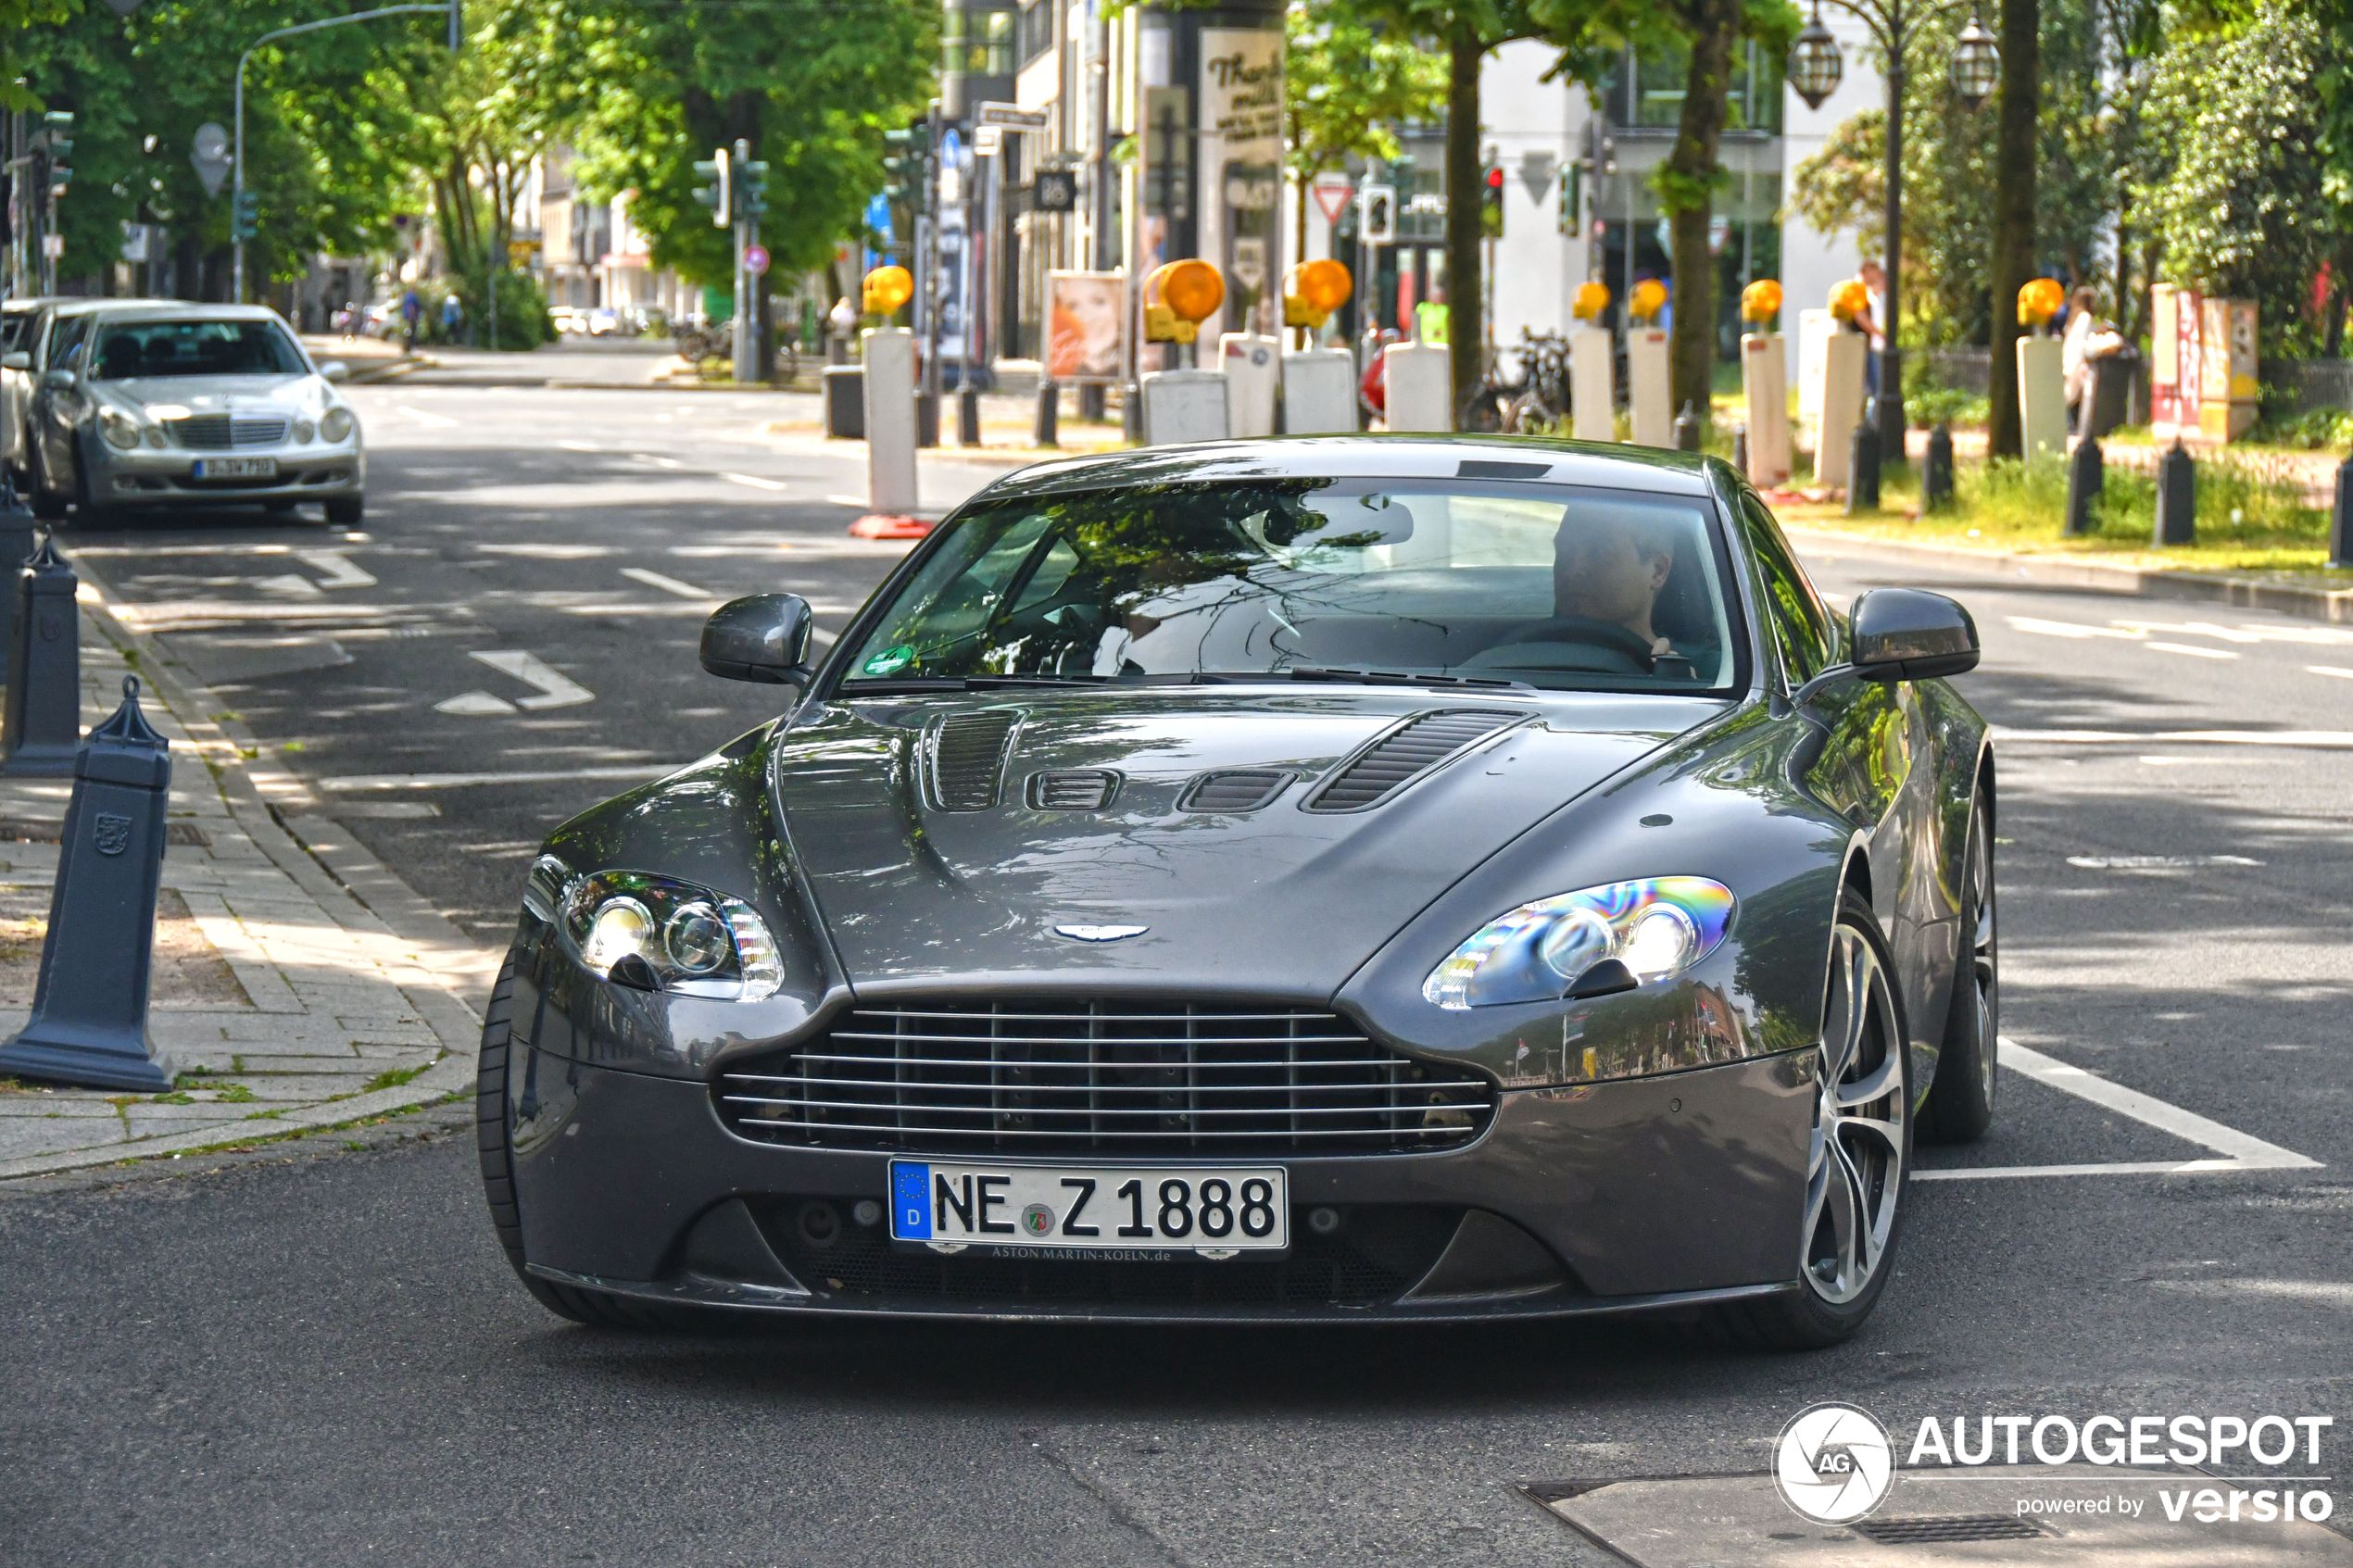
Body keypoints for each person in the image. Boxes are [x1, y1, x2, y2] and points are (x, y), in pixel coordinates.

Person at [1554, 505, 1679, 660]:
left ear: (1658, 571)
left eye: (1600, 554)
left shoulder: (1710, 673)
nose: (1573, 571)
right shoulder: (1522, 657)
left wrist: (1685, 682)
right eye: (1565, 552)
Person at [2062, 286, 2127, 431]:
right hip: (2078, 364)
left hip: (2070, 363)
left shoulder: (2075, 318)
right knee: (2074, 395)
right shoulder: (2085, 318)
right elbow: (2086, 345)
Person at [1857, 259, 1889, 397]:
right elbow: (1861, 317)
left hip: (1879, 346)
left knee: (1877, 386)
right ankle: (1871, 417)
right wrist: (1880, 333)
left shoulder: (1877, 297)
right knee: (1874, 386)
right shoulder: (1863, 296)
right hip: (1871, 346)